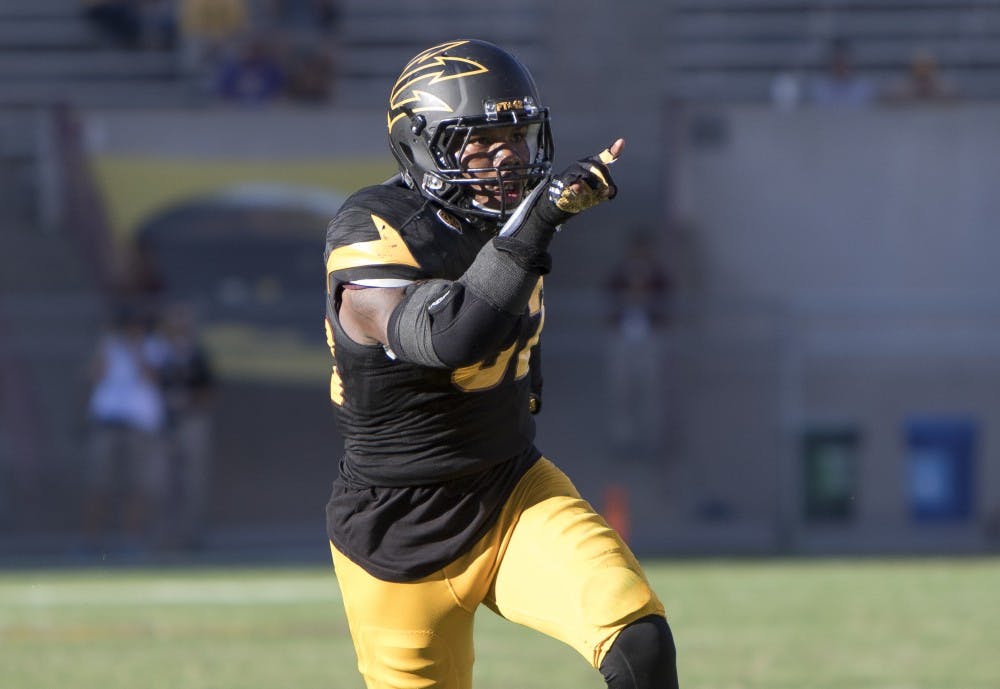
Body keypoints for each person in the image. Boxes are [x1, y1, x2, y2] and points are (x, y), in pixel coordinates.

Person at [323, 39, 679, 689]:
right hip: (398, 535)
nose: (508, 156)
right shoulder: (372, 229)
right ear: (426, 144)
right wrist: (539, 218)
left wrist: (532, 222)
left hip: (511, 491)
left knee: (638, 638)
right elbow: (453, 335)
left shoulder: (508, 220)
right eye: (483, 141)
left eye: (516, 134)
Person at [82, 304, 168, 555]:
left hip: (138, 424)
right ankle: (91, 542)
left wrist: (136, 348)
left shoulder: (153, 346)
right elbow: (93, 375)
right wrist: (104, 342)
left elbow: (153, 378)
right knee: (97, 482)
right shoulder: (108, 346)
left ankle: (132, 540)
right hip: (107, 421)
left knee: (137, 484)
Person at [605, 231, 671, 461]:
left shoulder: (658, 276)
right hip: (623, 338)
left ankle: (651, 441)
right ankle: (623, 440)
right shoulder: (619, 275)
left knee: (651, 390)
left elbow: (668, 303)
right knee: (622, 390)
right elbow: (608, 300)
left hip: (650, 338)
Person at [806, 38, 876, 107]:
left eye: (843, 61)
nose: (841, 65)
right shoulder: (818, 88)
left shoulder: (864, 88)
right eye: (837, 61)